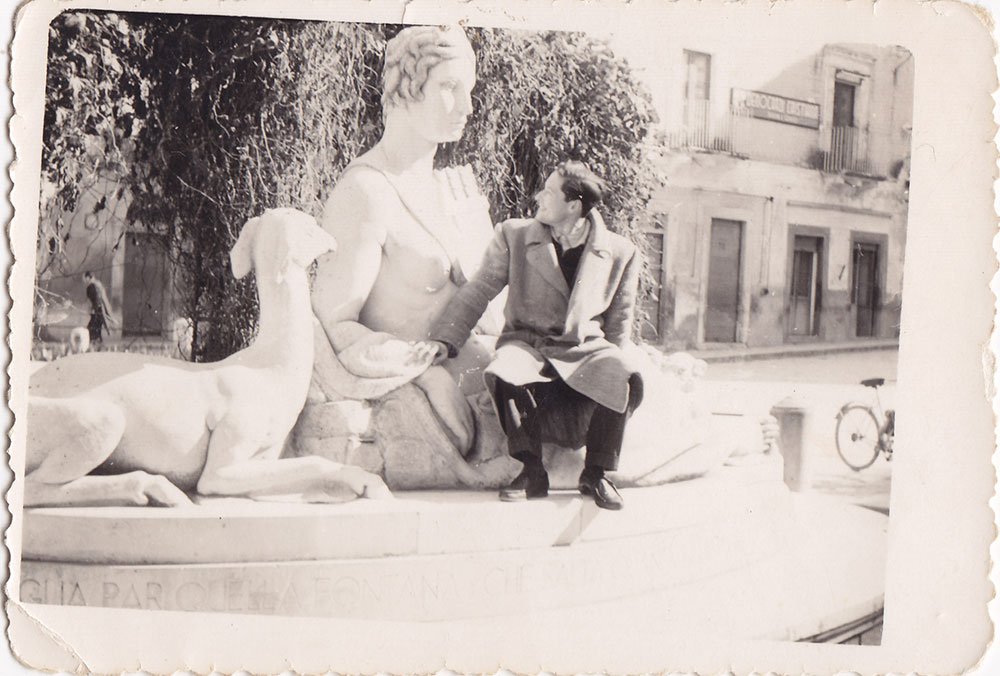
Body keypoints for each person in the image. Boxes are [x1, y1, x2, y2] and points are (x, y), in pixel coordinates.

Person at [299, 25, 507, 487]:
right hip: (442, 398)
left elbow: (497, 317)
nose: (468, 106)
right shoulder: (366, 191)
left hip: (492, 377)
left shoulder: (452, 190)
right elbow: (331, 328)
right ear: (406, 87)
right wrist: (422, 373)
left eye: (469, 90)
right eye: (450, 87)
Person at [430, 161, 644, 510]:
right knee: (505, 370)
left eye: (548, 191)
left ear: (573, 205)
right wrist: (445, 339)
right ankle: (531, 471)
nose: (538, 197)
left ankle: (596, 473)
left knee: (620, 373)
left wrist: (610, 368)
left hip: (583, 348)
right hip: (527, 343)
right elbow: (479, 289)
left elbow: (619, 321)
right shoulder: (514, 235)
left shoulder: (621, 252)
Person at [83, 271, 113, 345]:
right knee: (97, 328)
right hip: (100, 309)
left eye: (85, 278)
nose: (84, 280)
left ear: (88, 277)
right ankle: (98, 342)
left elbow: (96, 299)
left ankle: (95, 343)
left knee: (92, 328)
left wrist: (93, 309)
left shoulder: (91, 286)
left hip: (97, 310)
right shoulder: (98, 284)